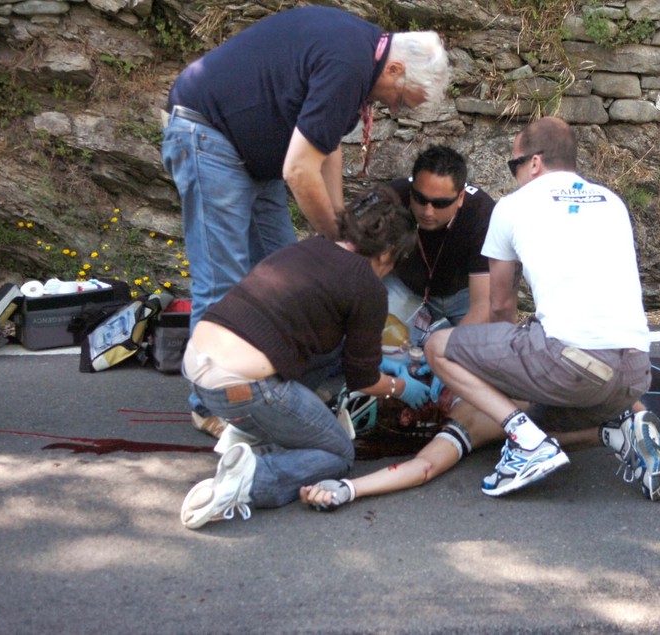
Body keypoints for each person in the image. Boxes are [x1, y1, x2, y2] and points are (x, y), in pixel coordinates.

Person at [160, 6, 450, 435]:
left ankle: (275, 391)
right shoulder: (349, 64)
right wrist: (337, 237)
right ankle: (212, 406)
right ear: (395, 68)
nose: (396, 108)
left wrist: (338, 221)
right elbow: (299, 170)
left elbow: (326, 146)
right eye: (403, 98)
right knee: (224, 278)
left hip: (252, 154)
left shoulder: (361, 53)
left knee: (289, 274)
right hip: (209, 136)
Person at [421, 116, 660, 500]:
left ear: (534, 162)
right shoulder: (612, 202)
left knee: (438, 347)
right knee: (536, 409)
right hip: (635, 376)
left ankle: (527, 445)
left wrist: (483, 373)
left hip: (571, 366)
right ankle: (625, 430)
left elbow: (501, 307)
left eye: (514, 165)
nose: (515, 175)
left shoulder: (511, 206)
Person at [299, 360, 660, 510]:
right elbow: (421, 469)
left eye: (419, 375)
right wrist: (350, 490)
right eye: (416, 395)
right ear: (416, 420)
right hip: (630, 413)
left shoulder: (462, 351)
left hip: (623, 369)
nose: (432, 380)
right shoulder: (468, 424)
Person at [178, 187, 430, 530]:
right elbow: (363, 380)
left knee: (332, 358)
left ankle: (250, 439)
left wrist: (377, 363)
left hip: (199, 366)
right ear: (388, 253)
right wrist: (400, 387)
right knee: (338, 455)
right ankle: (248, 479)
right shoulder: (367, 284)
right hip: (245, 386)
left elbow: (345, 353)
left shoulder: (312, 245)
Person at [384, 145, 496, 346]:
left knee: (480, 348)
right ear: (411, 191)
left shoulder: (482, 215)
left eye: (440, 203)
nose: (428, 212)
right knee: (384, 340)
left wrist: (445, 352)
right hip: (407, 288)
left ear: (460, 197)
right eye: (420, 199)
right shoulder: (392, 197)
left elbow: (482, 304)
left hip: (462, 294)